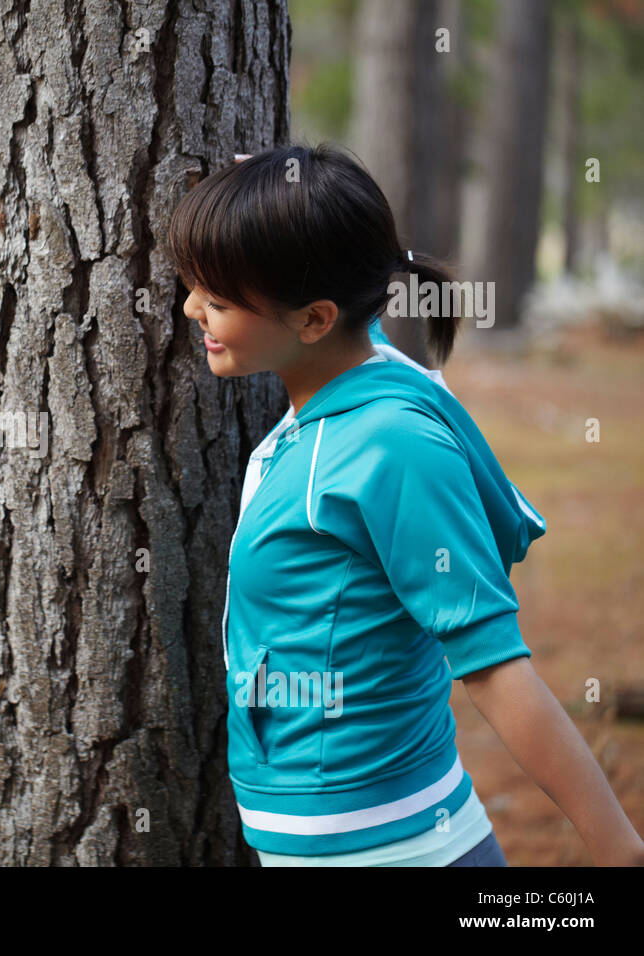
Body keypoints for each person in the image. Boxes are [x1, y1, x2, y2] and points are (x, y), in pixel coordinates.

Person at [166, 143, 644, 866]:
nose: (191, 309)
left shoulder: (389, 446)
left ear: (317, 319)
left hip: (393, 848)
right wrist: (274, 196)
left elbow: (493, 666)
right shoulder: (353, 374)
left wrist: (618, 850)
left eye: (220, 299)